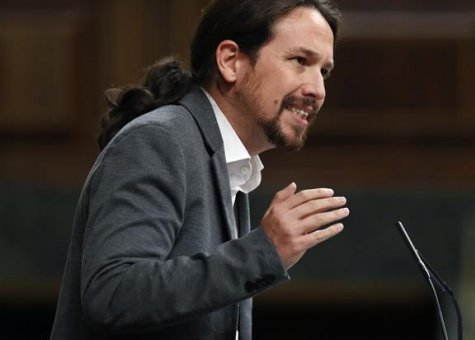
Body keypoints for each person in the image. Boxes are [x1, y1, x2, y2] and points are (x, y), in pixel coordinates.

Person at [50, 0, 348, 339]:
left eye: (323, 71)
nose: (318, 90)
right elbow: (114, 294)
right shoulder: (160, 141)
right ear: (230, 61)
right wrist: (263, 251)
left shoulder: (224, 161)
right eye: (300, 61)